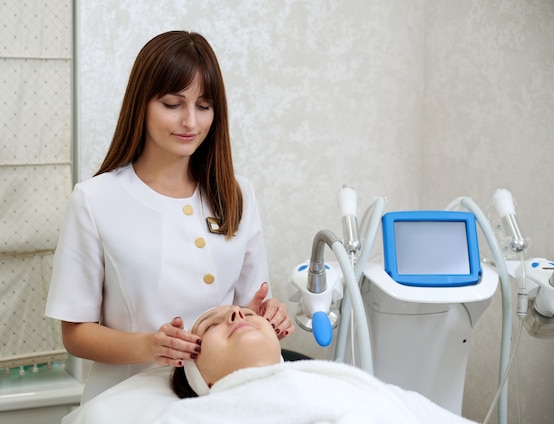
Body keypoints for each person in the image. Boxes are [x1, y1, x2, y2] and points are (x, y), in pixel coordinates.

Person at [45, 30, 294, 404]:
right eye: (173, 104)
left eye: (204, 106)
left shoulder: (237, 194)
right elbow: (75, 333)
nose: (190, 122)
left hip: (220, 396)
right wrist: (149, 345)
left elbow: (248, 305)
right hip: (128, 398)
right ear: (141, 104)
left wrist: (266, 317)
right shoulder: (95, 200)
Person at [161, 305, 478, 424]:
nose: (236, 315)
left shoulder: (351, 386)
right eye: (209, 325)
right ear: (200, 380)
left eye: (247, 313)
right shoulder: (193, 415)